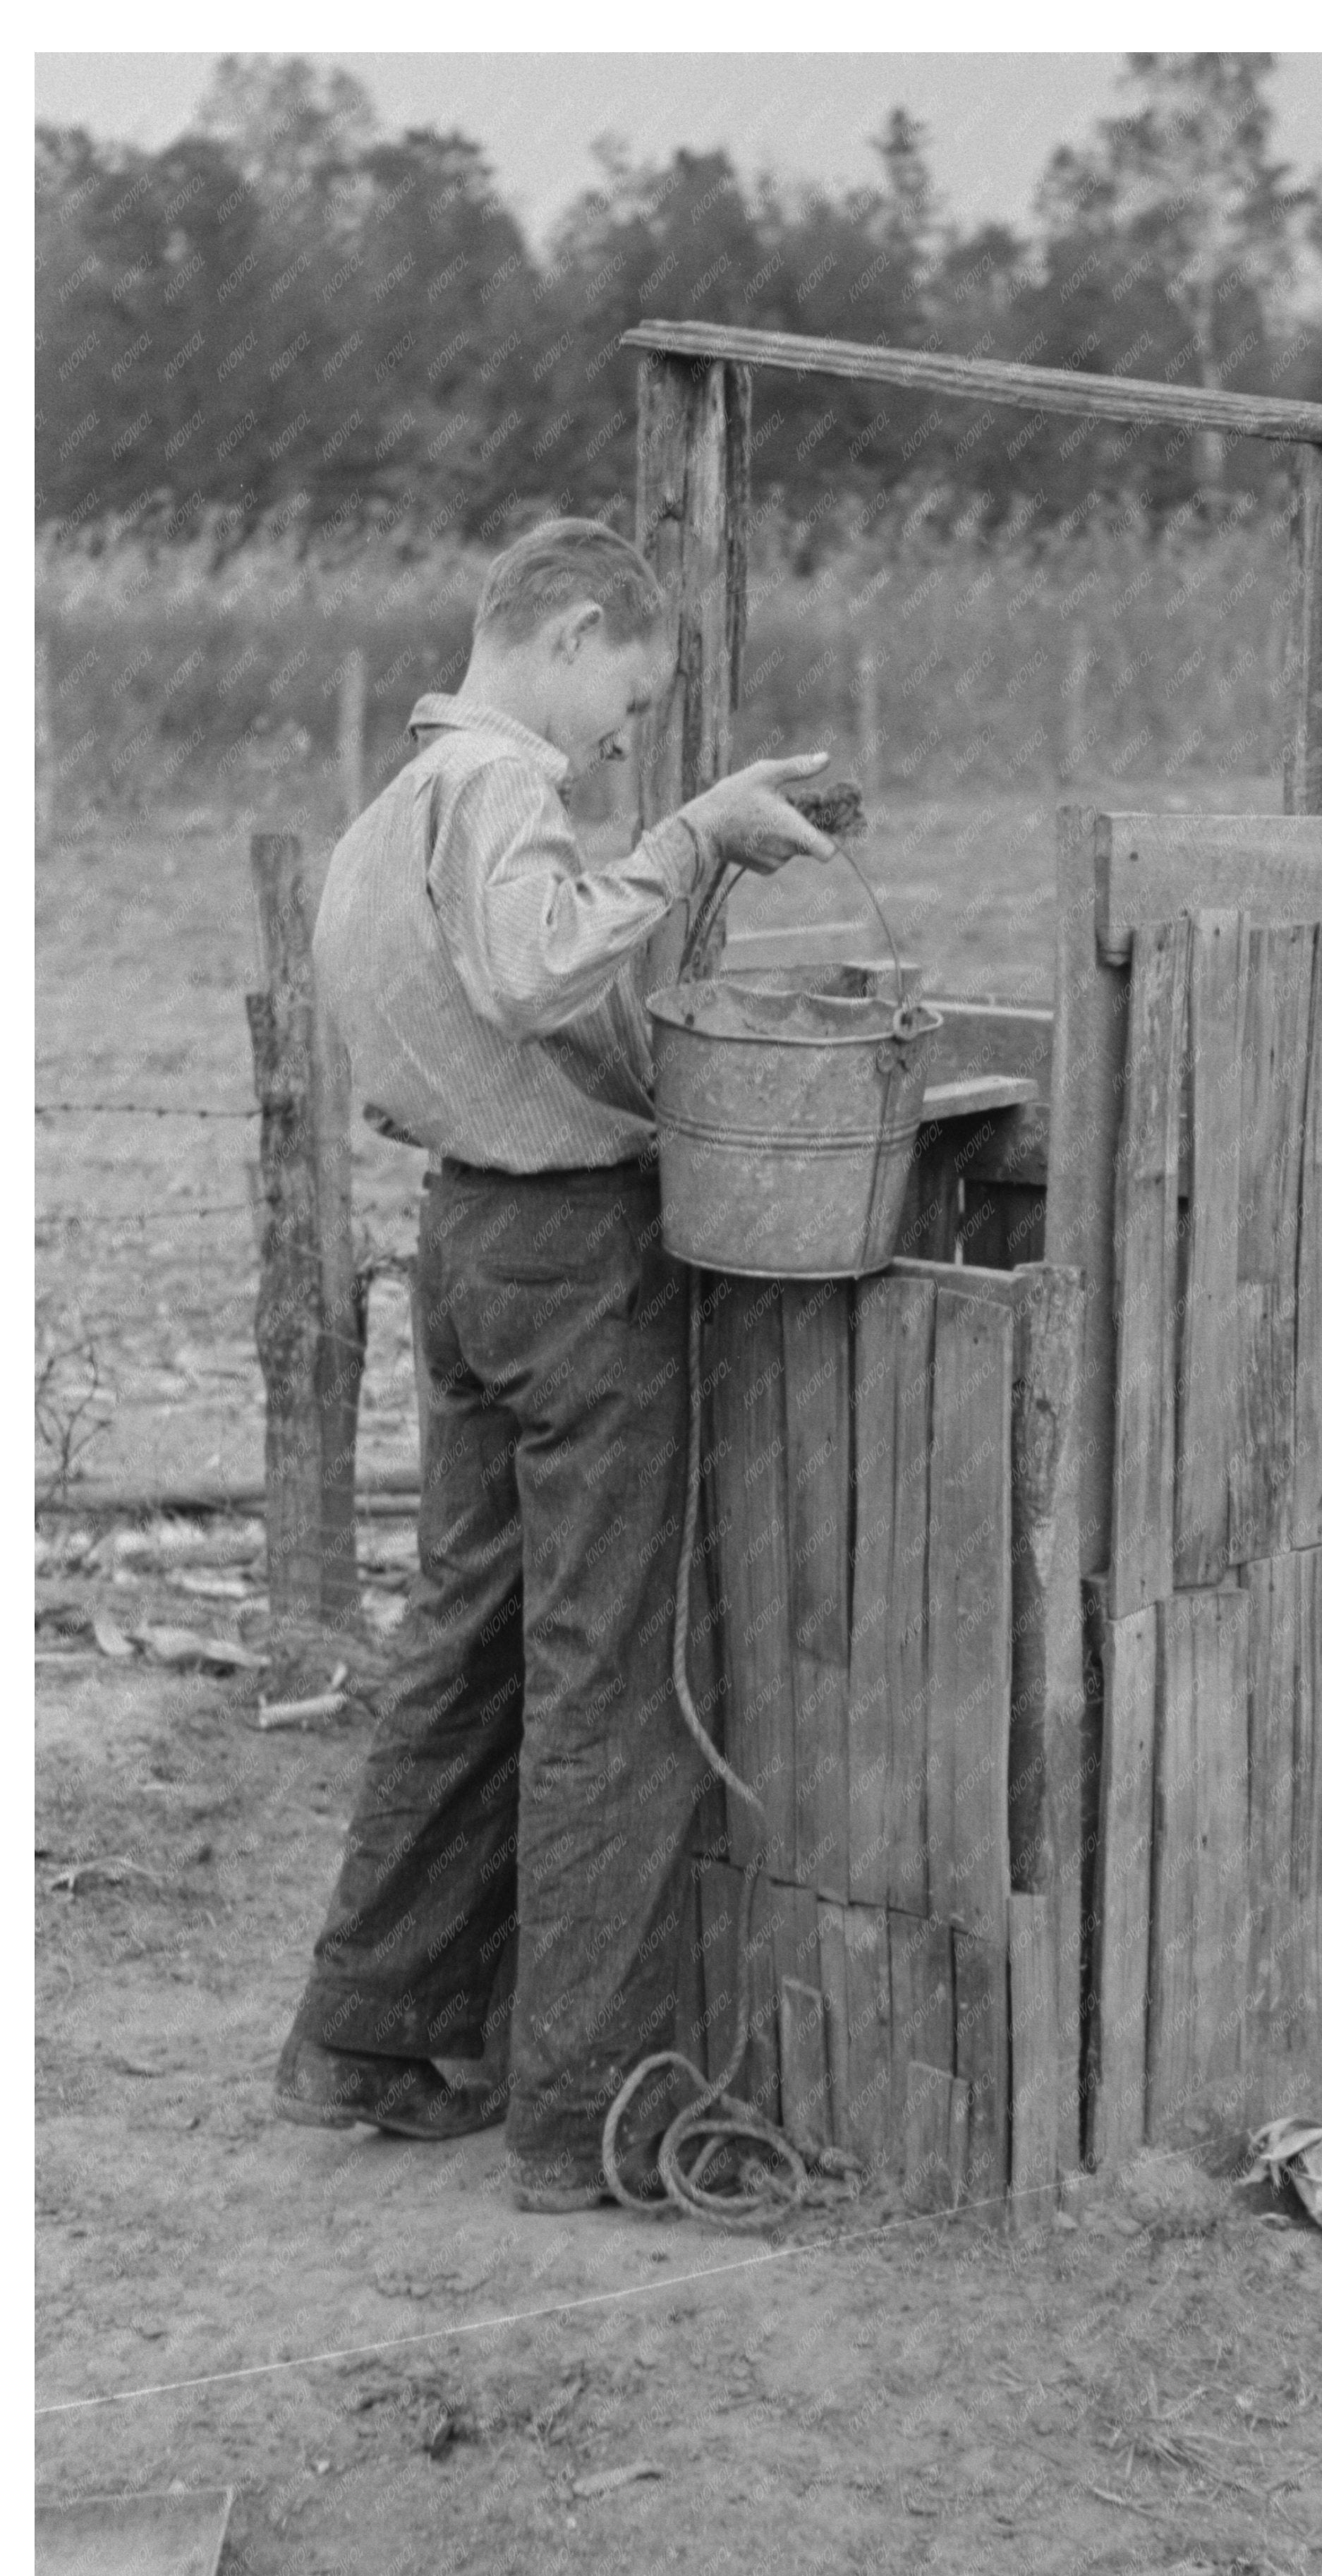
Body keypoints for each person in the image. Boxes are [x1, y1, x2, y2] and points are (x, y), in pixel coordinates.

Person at [272, 516, 833, 2211]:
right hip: (574, 1261)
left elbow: (485, 990)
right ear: (576, 630)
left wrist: (671, 865)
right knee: (604, 1675)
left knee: (463, 1643)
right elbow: (529, 969)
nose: (620, 736)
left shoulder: (387, 818)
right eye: (630, 698)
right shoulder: (504, 788)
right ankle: (580, 2110)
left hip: (462, 1250)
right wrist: (685, 835)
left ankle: (367, 2032)